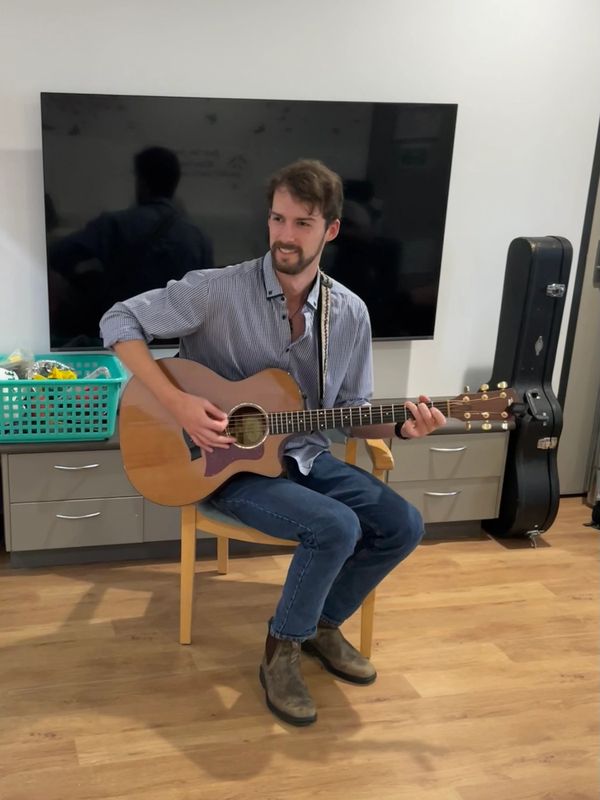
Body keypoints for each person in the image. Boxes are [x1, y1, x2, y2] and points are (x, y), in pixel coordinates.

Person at [100, 159, 446, 727]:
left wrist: (405, 426)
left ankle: (322, 626)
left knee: (403, 524)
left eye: (303, 223)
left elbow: (355, 413)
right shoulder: (216, 291)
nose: (285, 235)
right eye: (278, 219)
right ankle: (281, 648)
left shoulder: (350, 314)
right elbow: (119, 320)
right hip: (219, 466)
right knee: (335, 526)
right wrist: (180, 404)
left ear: (331, 230)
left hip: (301, 455)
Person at [49, 146, 213, 346]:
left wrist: (88, 280)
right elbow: (207, 299)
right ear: (175, 182)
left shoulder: (114, 225)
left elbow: (57, 255)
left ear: (141, 182)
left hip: (119, 341)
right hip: (175, 347)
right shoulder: (198, 237)